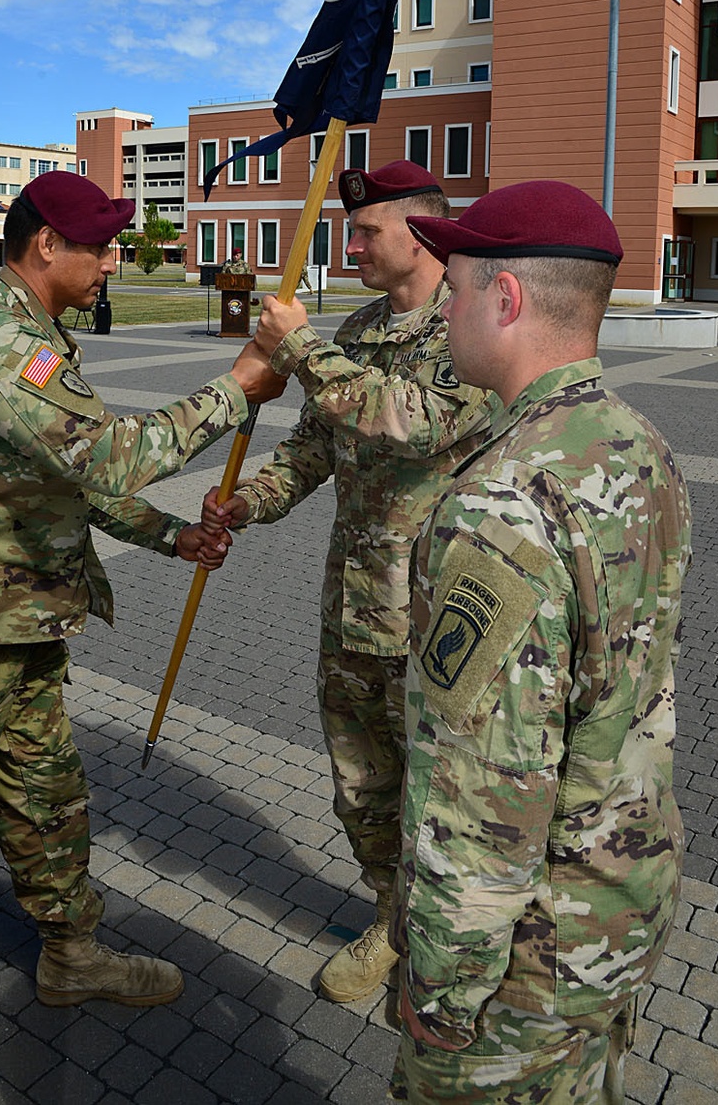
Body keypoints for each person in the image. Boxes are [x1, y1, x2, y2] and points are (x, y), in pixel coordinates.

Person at [0, 172, 284, 1010]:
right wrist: (237, 388)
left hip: (21, 623)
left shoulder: (32, 331)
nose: (111, 263)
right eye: (99, 248)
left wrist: (168, 534)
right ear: (46, 245)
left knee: (48, 800)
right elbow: (108, 455)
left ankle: (71, 954)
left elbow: (75, 478)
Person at [391, 181, 691, 1104]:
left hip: (527, 961)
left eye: (457, 286)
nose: (444, 306)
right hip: (618, 903)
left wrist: (442, 988)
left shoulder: (502, 502)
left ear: (506, 299)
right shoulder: (638, 445)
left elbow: (484, 792)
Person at [203, 160, 495, 1004]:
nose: (351, 241)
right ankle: (392, 918)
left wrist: (298, 346)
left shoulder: (468, 330)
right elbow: (311, 450)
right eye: (350, 227)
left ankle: (457, 945)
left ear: (423, 231)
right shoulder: (359, 332)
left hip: (444, 620)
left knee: (449, 793)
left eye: (368, 230)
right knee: (362, 788)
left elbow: (410, 424)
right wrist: (245, 502)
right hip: (354, 609)